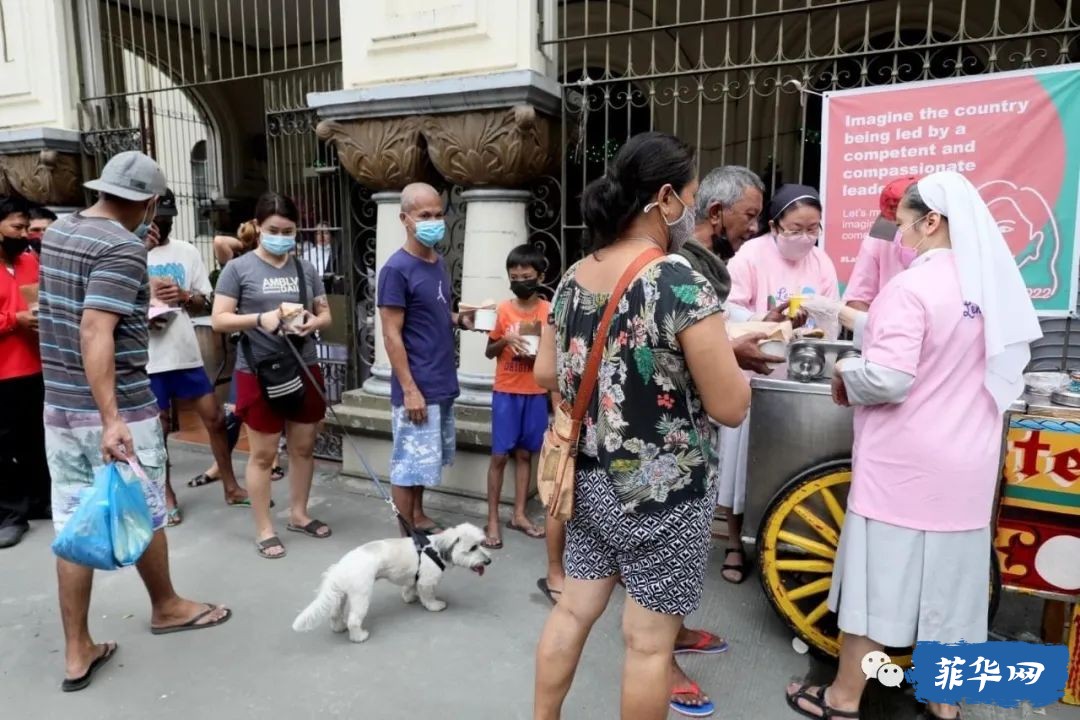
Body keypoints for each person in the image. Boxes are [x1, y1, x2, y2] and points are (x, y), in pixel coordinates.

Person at [785, 172, 1042, 720]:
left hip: (904, 469)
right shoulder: (986, 287)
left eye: (902, 224)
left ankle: (843, 698)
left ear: (931, 222)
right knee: (953, 595)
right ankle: (943, 706)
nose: (899, 236)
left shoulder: (912, 287)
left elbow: (890, 378)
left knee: (878, 590)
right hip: (966, 468)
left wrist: (849, 368)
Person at [532, 131, 750, 720]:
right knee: (649, 646)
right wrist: (733, 360)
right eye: (690, 194)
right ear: (664, 198)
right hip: (665, 493)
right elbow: (731, 406)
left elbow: (546, 372)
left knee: (572, 613)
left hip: (591, 481)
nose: (690, 207)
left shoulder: (574, 276)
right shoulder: (676, 279)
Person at [39, 151, 231, 692]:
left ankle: (78, 650)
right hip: (115, 406)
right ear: (148, 203)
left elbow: (77, 312)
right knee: (145, 505)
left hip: (60, 406)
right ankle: (167, 606)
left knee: (74, 521)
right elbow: (95, 330)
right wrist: (112, 419)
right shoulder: (123, 247)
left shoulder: (59, 232)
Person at [720, 185, 839, 585]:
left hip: (799, 375)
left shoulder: (821, 261)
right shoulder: (750, 256)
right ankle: (735, 543)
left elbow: (833, 314)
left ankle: (788, 542)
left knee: (787, 465)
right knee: (742, 466)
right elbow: (727, 310)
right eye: (795, 228)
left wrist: (816, 317)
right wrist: (767, 317)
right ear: (774, 226)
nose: (805, 237)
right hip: (753, 373)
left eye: (813, 229)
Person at [211, 191, 332, 559]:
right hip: (259, 370)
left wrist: (313, 323)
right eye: (274, 229)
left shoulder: (305, 268)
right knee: (263, 454)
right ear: (259, 228)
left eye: (289, 230)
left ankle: (298, 513)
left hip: (303, 364)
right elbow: (219, 319)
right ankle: (265, 527)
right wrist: (259, 319)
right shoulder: (239, 269)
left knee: (303, 446)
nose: (282, 236)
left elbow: (325, 313)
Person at [146, 189, 249, 526]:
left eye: (167, 219)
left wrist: (185, 295)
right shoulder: (127, 253)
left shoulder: (186, 251)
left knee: (215, 419)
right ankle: (165, 492)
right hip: (149, 357)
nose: (161, 225)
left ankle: (231, 484)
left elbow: (206, 302)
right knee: (157, 429)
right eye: (156, 219)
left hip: (185, 352)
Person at [378, 182, 476, 535]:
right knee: (408, 465)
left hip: (440, 382)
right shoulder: (396, 269)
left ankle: (418, 516)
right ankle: (406, 541)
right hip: (416, 385)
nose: (435, 221)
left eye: (438, 214)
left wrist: (459, 319)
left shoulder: (437, 263)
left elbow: (432, 314)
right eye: (425, 215)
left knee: (425, 461)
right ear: (405, 219)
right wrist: (409, 389)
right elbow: (391, 333)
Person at [194, 221, 286, 487]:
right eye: (268, 231)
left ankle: (274, 461)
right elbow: (220, 242)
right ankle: (218, 466)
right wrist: (248, 239)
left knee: (274, 406)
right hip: (249, 349)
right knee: (236, 410)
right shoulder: (238, 266)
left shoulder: (280, 264)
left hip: (277, 348)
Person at [481, 244, 551, 549]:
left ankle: (519, 514)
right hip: (506, 391)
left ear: (539, 276)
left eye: (526, 275)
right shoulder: (502, 310)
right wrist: (505, 340)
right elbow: (488, 351)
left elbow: (556, 352)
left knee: (525, 455)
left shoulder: (548, 311)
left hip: (536, 391)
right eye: (514, 276)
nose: (520, 280)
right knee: (499, 456)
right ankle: (492, 519)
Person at [0, 196, 50, 547]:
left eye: (25, 227)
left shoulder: (31, 262)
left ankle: (38, 500)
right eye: (16, 228)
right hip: (3, 371)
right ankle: (10, 514)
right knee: (3, 447)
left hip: (37, 366)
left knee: (37, 439)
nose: (23, 234)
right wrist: (13, 320)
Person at [842, 176, 918, 311]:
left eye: (902, 223)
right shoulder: (878, 238)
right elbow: (857, 299)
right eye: (895, 223)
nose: (899, 232)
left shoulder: (947, 242)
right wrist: (876, 325)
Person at [694, 164, 767, 261]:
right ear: (715, 213)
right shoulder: (679, 265)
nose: (755, 228)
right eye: (750, 215)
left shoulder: (713, 263)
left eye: (757, 218)